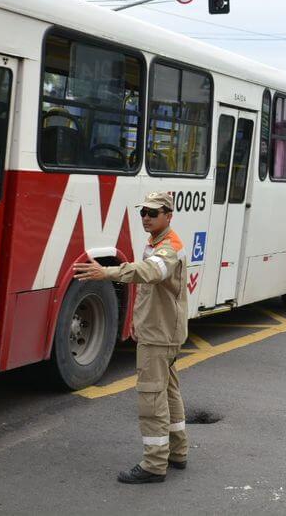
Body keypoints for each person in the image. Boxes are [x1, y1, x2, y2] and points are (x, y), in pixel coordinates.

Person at [73, 192, 189, 484]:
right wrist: (139, 322)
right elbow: (151, 291)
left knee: (151, 396)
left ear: (168, 215)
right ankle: (177, 452)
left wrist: (108, 272)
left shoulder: (168, 248)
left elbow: (150, 273)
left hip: (160, 334)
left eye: (152, 212)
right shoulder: (157, 243)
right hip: (161, 330)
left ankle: (153, 464)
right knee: (168, 391)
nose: (146, 218)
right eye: (143, 213)